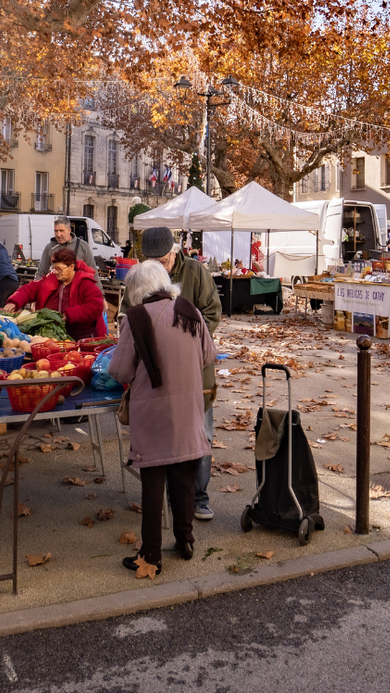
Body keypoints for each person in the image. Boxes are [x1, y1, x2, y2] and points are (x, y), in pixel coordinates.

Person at [108, 260, 215, 572]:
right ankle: (185, 539)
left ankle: (151, 554)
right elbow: (209, 356)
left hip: (153, 414)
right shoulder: (190, 312)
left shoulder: (136, 318)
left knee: (153, 485)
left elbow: (120, 371)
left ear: (137, 291)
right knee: (184, 477)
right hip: (188, 412)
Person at [140, 226, 222, 519]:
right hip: (156, 369)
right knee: (161, 432)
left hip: (194, 368)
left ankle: (198, 497)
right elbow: (130, 312)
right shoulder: (142, 274)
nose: (157, 268)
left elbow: (212, 313)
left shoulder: (196, 273)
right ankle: (164, 497)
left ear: (174, 252)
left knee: (200, 432)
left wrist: (185, 341)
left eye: (162, 261)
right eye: (152, 262)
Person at [3, 248, 107, 340]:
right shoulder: (50, 279)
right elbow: (30, 289)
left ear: (71, 267)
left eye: (60, 269)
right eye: (54, 268)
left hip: (82, 337)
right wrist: (14, 302)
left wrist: (68, 315)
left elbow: (95, 306)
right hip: (56, 336)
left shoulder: (86, 283)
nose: (56, 272)